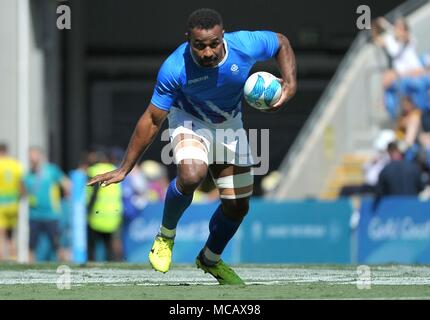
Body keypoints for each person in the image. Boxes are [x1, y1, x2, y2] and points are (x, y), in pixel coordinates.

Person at [88, 8, 296, 284]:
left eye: (213, 44)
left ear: (223, 37)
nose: (207, 52)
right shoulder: (175, 67)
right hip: (189, 121)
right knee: (191, 175)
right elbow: (152, 119)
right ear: (189, 40)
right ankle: (165, 236)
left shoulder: (245, 44)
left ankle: (210, 259)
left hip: (230, 125)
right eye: (199, 46)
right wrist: (125, 168)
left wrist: (291, 84)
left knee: (237, 206)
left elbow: (281, 41)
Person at [23, 147, 71, 262]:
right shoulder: (27, 175)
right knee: (31, 246)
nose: (32, 158)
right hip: (34, 215)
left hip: (51, 215)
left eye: (34, 155)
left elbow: (67, 184)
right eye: (30, 156)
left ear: (40, 156)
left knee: (57, 245)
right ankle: (30, 273)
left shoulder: (51, 170)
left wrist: (65, 198)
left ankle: (65, 269)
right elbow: (23, 193)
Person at [86, 150, 123, 261]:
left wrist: (88, 209)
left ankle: (91, 266)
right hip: (113, 214)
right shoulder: (115, 169)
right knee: (110, 247)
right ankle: (115, 265)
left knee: (92, 247)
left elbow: (94, 193)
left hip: (96, 215)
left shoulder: (93, 170)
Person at [0, 143, 23, 261]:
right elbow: (21, 185)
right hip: (13, 203)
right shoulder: (15, 164)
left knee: (1, 234)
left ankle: (2, 259)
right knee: (11, 234)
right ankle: (13, 258)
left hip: (1, 204)